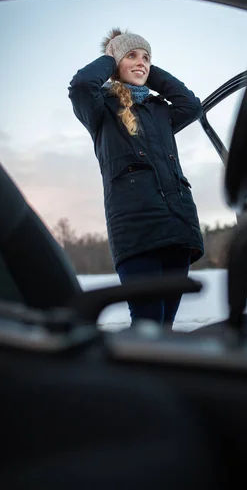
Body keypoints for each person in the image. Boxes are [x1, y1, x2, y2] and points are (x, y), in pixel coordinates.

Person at [68, 28, 204, 328]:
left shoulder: (160, 110)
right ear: (115, 62)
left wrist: (147, 72)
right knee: (147, 324)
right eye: (132, 56)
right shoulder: (101, 109)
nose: (141, 62)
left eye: (146, 57)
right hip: (137, 231)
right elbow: (80, 85)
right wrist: (110, 60)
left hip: (178, 226)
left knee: (165, 325)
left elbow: (192, 107)